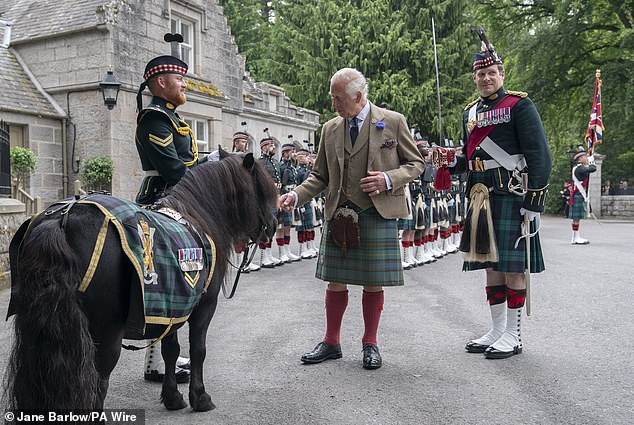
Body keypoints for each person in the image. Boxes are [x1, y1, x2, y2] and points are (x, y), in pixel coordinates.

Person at [279, 68, 424, 370]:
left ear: (358, 96)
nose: (333, 104)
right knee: (335, 281)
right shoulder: (331, 128)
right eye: (332, 97)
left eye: (338, 98)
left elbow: (415, 164)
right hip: (339, 214)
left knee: (373, 282)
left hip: (376, 212)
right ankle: (331, 342)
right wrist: (296, 195)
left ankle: (370, 344)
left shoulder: (392, 122)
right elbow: (319, 175)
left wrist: (388, 178)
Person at [455, 37, 552, 359]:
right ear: (474, 78)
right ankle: (496, 330)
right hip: (480, 195)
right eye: (481, 75)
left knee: (513, 267)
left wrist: (533, 202)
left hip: (511, 193)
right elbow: (469, 157)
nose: (486, 78)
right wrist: (448, 161)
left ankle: (513, 334)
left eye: (492, 73)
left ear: (502, 74)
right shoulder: (469, 112)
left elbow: (539, 154)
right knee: (490, 264)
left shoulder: (519, 105)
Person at [134, 53, 205, 382]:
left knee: (180, 277)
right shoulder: (153, 117)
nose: (184, 83)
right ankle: (158, 362)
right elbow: (173, 169)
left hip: (182, 198)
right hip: (162, 198)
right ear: (161, 82)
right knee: (165, 278)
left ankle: (162, 359)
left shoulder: (171, 116)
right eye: (179, 78)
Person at [568, 147, 597, 244]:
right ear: (579, 159)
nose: (586, 158)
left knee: (577, 218)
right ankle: (575, 237)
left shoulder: (579, 168)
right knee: (576, 218)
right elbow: (593, 169)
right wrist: (592, 160)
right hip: (578, 194)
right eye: (584, 156)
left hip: (577, 194)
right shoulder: (579, 168)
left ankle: (575, 237)